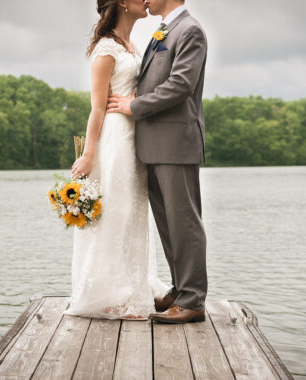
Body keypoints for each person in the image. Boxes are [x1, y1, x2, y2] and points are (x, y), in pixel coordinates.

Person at [63, 0, 171, 320]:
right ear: (123, 2)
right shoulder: (106, 48)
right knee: (115, 214)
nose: (146, 0)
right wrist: (88, 155)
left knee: (133, 214)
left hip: (135, 138)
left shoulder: (132, 46)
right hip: (114, 141)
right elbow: (97, 108)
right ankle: (107, 295)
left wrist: (138, 101)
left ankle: (132, 287)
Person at [106, 0, 208, 323]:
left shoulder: (190, 31)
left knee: (185, 222)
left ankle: (193, 300)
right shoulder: (162, 30)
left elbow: (180, 85)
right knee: (168, 224)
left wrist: (133, 106)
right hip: (153, 146)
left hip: (176, 143)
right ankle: (180, 289)